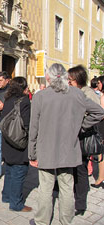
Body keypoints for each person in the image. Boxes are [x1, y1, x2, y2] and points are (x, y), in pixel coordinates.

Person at [28, 63, 104, 225]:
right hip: (69, 147)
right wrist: (81, 125)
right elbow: (99, 112)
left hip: (46, 148)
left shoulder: (41, 96)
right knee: (66, 187)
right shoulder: (76, 94)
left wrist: (32, 153)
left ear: (48, 78)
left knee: (46, 188)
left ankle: (42, 221)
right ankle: (66, 221)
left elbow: (33, 128)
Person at [68, 65, 100, 215]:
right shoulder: (74, 91)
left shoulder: (87, 93)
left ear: (78, 79)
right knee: (74, 169)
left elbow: (98, 114)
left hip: (82, 138)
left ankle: (80, 204)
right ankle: (76, 193)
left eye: (70, 79)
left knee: (80, 169)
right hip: (72, 137)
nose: (68, 82)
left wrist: (81, 126)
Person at [0, 77, 32, 212]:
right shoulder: (24, 101)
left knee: (9, 170)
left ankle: (6, 196)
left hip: (8, 141)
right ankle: (16, 203)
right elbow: (26, 123)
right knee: (19, 171)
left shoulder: (8, 100)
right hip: (19, 141)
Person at [92, 75, 104, 188]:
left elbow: (102, 114)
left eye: (99, 83)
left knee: (101, 154)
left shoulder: (103, 96)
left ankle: (100, 179)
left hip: (102, 127)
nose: (98, 84)